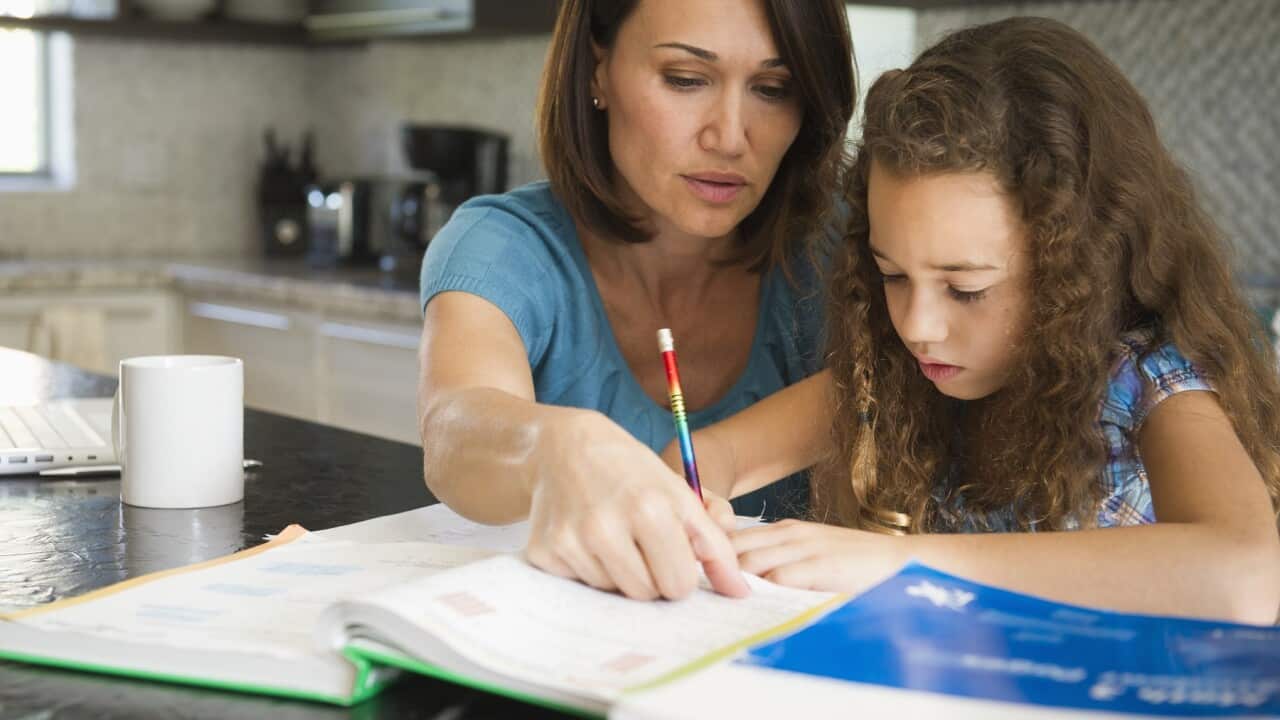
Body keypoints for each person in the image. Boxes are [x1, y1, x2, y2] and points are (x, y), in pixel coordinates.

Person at [687, 17, 1280, 624]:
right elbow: (710, 456)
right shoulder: (902, 376)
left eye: (965, 289)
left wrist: (904, 561)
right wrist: (688, 498)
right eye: (892, 275)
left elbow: (1247, 574)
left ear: (1078, 267)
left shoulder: (1147, 380)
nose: (918, 326)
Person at [416, 0, 855, 601]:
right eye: (685, 79)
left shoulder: (850, 250)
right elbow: (453, 431)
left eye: (774, 89)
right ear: (598, 68)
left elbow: (903, 395)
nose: (729, 137)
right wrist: (555, 448)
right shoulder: (503, 246)